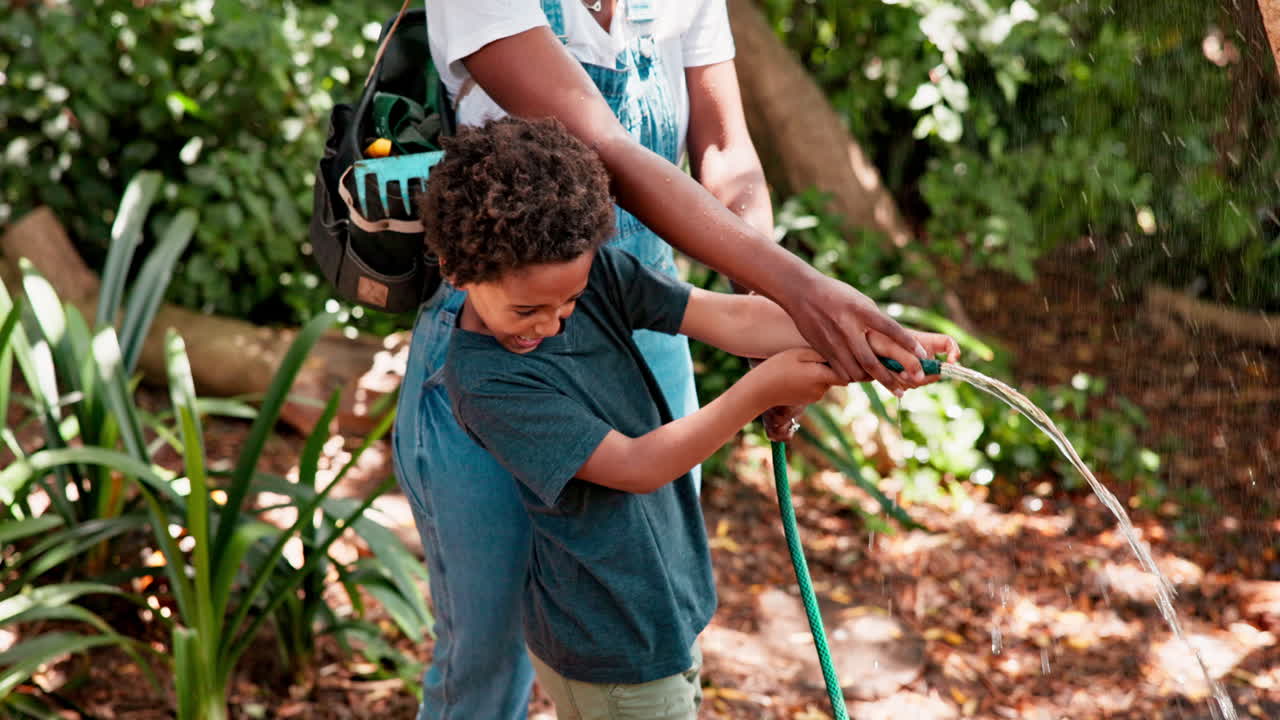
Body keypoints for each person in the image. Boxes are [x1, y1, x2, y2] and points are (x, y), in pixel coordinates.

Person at [394, 1, 939, 717]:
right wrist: (803, 304)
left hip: (625, 312)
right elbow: (610, 150)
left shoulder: (605, 283)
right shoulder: (495, 371)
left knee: (640, 589)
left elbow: (726, 154)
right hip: (498, 332)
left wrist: (844, 336)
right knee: (487, 660)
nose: (550, 324)